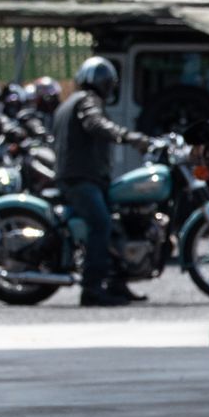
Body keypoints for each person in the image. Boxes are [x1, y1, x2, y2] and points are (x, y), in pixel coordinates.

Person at [53, 57, 155, 306]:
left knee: (117, 225)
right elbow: (95, 123)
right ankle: (91, 289)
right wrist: (128, 136)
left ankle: (117, 283)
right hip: (81, 179)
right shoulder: (88, 101)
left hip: (84, 177)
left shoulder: (69, 102)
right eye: (107, 82)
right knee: (101, 225)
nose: (109, 87)